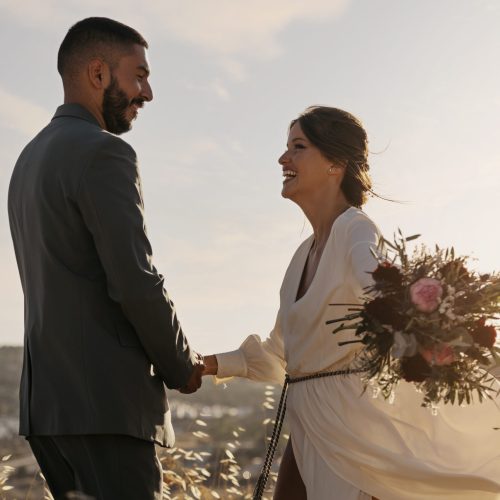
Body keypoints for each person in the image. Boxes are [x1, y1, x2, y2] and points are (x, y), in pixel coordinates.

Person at [202, 106, 500, 500]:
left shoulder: (355, 229)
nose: (283, 158)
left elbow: (377, 284)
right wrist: (207, 365)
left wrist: (424, 317)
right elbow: (280, 355)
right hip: (307, 427)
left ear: (336, 164)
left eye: (298, 147)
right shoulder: (300, 256)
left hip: (353, 433)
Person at [8, 17, 204, 500]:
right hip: (106, 405)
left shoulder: (27, 161)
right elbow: (135, 279)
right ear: (98, 74)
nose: (148, 92)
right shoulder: (105, 154)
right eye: (138, 75)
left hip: (48, 408)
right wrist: (181, 364)